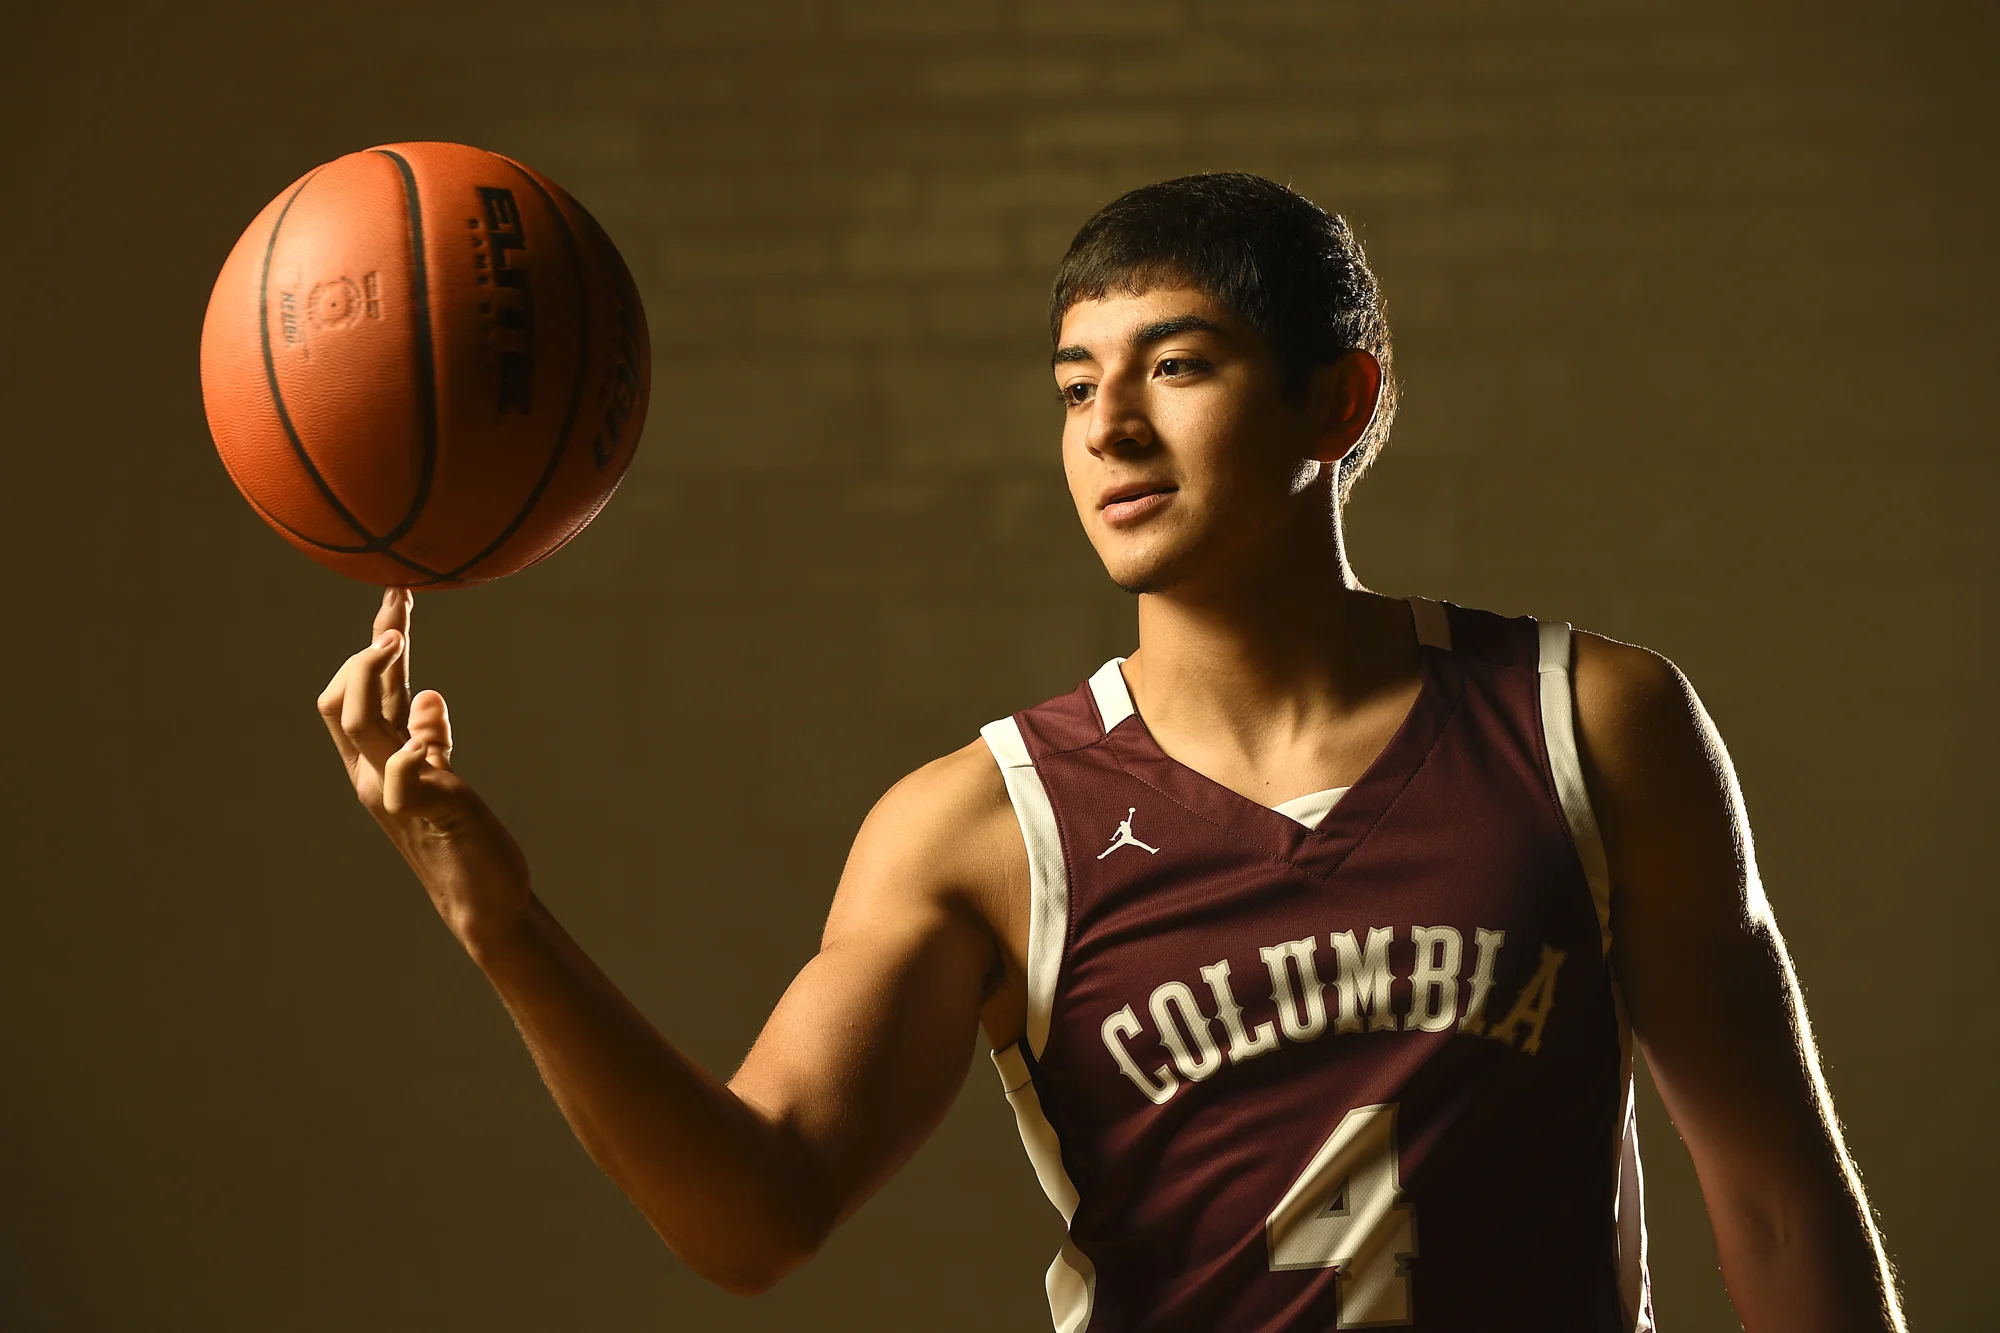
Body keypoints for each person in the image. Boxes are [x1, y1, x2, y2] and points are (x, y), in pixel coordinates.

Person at [317, 174, 1902, 1330]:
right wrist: (495, 917)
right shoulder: (985, 828)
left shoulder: (1589, 723)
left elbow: (1775, 1203)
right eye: (1077, 386)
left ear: (1334, 404)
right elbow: (754, 1213)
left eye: (1180, 366)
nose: (1110, 428)